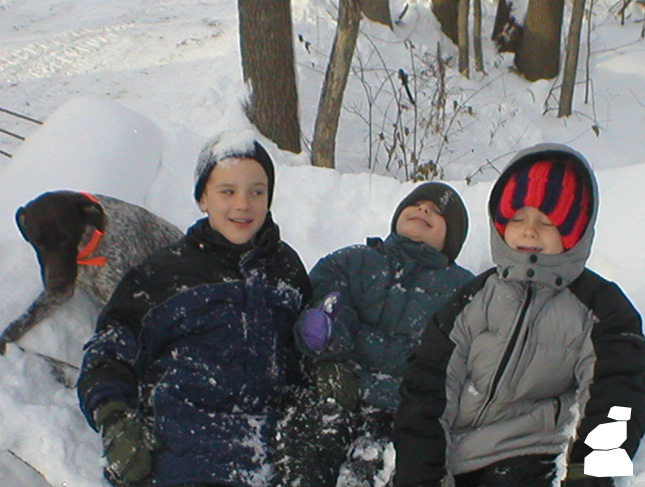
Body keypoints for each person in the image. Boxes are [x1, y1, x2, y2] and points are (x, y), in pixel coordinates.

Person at [393, 143, 645, 487]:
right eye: (518, 218)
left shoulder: (601, 308)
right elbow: (428, 381)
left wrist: (590, 472)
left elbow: (618, 393)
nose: (529, 230)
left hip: (531, 454)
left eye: (547, 221)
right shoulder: (474, 298)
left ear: (573, 230)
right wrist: (421, 470)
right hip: (451, 454)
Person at [77, 130, 311, 487]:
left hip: (271, 454)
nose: (243, 204)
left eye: (257, 192)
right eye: (227, 192)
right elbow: (110, 349)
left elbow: (304, 349)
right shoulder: (164, 274)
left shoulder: (287, 270)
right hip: (183, 451)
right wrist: (116, 420)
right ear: (203, 198)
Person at [275, 182, 474, 487]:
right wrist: (325, 331)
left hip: (401, 410)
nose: (423, 210)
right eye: (417, 204)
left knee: (373, 472)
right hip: (339, 390)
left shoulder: (461, 291)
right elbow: (328, 297)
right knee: (306, 457)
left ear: (452, 238)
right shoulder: (356, 261)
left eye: (436, 212)